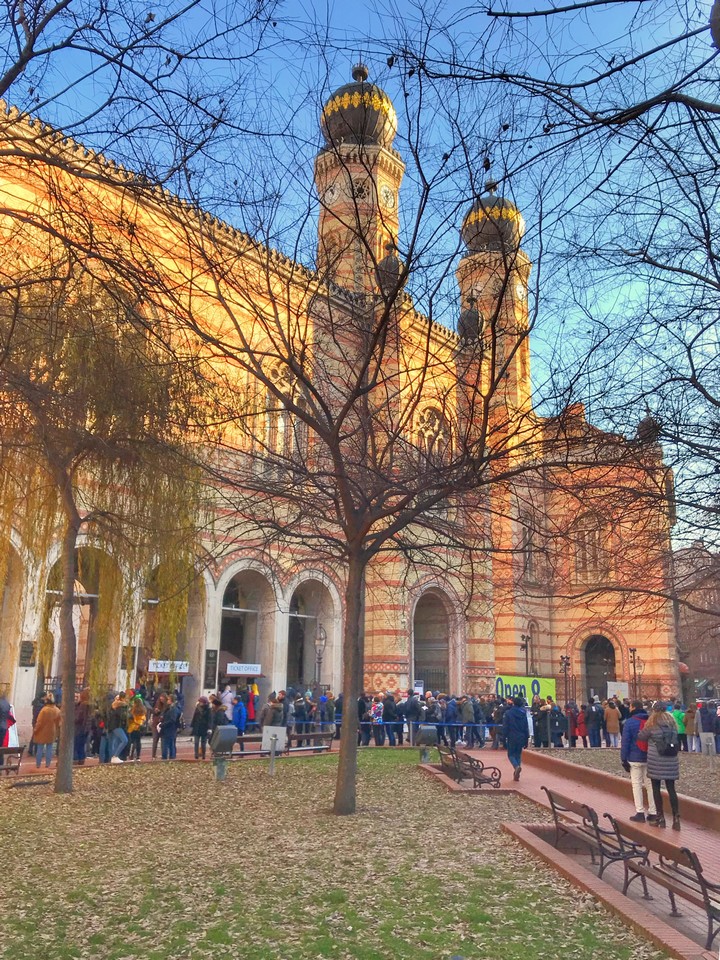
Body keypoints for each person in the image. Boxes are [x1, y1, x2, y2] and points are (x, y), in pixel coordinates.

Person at [637, 700, 681, 830]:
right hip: (671, 760)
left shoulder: (652, 724)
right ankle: (676, 818)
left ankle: (660, 818)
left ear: (654, 710)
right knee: (671, 789)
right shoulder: (672, 723)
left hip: (656, 760)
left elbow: (641, 736)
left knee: (656, 789)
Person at [620, 699, 657, 822]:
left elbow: (625, 742)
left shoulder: (630, 722)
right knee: (650, 785)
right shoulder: (650, 721)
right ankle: (653, 812)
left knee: (636, 784)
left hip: (634, 758)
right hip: (649, 757)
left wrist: (623, 759)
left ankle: (640, 812)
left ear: (633, 708)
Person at [503, 696, 529, 781]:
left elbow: (506, 726)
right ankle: (517, 772)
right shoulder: (523, 713)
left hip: (512, 735)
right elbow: (526, 726)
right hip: (521, 736)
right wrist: (526, 738)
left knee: (510, 754)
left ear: (513, 703)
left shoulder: (508, 713)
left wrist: (504, 736)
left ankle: (516, 766)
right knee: (518, 754)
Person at [33, 693, 62, 768]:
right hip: (52, 731)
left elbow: (39, 722)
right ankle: (47, 764)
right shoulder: (57, 710)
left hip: (42, 731)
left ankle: (38, 765)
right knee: (49, 748)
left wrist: (35, 730)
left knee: (40, 748)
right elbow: (59, 722)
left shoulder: (44, 710)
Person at [107, 691, 129, 764]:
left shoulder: (113, 706)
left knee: (114, 742)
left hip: (112, 725)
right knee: (124, 740)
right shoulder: (121, 706)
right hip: (116, 725)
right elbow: (122, 716)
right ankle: (115, 756)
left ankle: (113, 757)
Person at [160, 695, 181, 760]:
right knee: (170, 744)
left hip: (169, 729)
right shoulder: (170, 708)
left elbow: (172, 720)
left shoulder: (173, 709)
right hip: (168, 729)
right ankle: (170, 757)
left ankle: (168, 758)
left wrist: (163, 724)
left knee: (167, 745)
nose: (167, 701)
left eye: (169, 699)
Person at [73, 688, 92, 765]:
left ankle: (78, 759)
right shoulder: (89, 705)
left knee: (78, 744)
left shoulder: (83, 705)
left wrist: (74, 718)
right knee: (81, 744)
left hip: (80, 727)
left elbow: (79, 717)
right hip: (85, 728)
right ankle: (81, 758)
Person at [127, 694, 147, 761]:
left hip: (133, 727)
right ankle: (138, 756)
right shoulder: (143, 710)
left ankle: (131, 756)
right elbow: (144, 719)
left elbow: (130, 718)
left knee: (132, 742)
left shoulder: (133, 710)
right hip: (140, 728)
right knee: (138, 742)